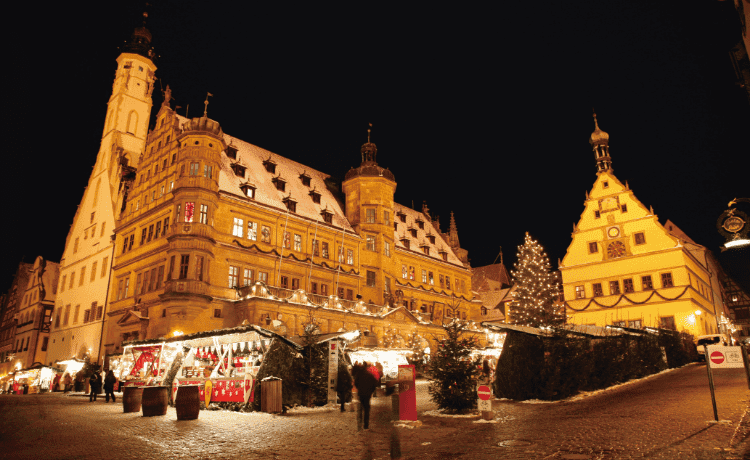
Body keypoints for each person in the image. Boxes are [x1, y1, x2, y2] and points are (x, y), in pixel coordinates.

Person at [352, 363, 378, 430]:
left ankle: (359, 424)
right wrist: (371, 391)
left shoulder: (358, 375)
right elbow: (375, 383)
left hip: (361, 394)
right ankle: (366, 425)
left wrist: (359, 389)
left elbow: (356, 383)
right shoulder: (370, 375)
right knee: (367, 409)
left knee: (360, 408)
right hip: (367, 394)